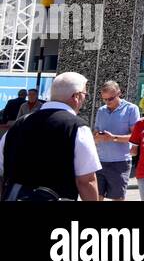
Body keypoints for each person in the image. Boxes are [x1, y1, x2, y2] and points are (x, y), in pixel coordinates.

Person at [0, 71, 100, 201]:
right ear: (76, 96)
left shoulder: (20, 123)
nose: (84, 100)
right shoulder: (77, 127)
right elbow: (86, 181)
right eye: (85, 95)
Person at [92, 80, 140, 201]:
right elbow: (96, 131)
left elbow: (136, 136)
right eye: (104, 99)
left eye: (110, 99)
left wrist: (113, 138)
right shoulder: (101, 111)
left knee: (117, 198)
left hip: (120, 162)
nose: (107, 102)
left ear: (119, 93)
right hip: (100, 161)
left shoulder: (131, 109)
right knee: (95, 197)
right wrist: (96, 136)